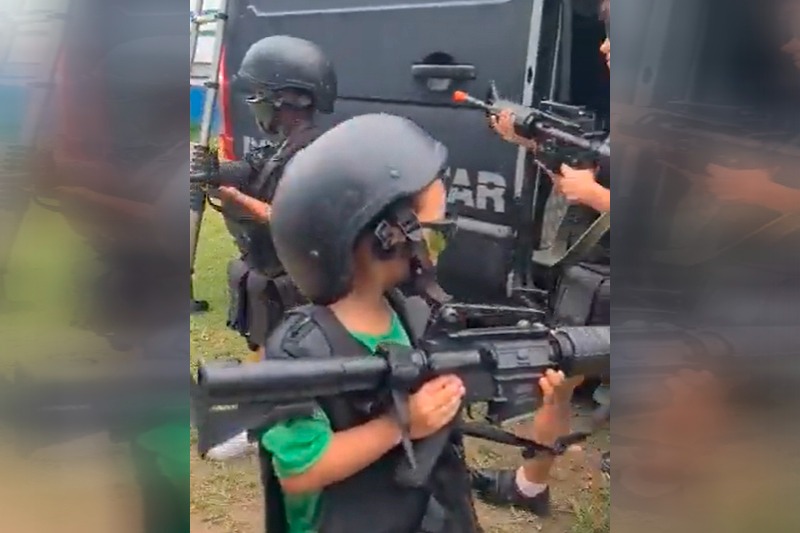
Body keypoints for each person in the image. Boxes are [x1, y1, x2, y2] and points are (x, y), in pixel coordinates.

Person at [259, 113, 583, 533]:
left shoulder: (414, 315)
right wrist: (401, 424)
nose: (439, 244)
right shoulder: (302, 348)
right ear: (386, 238)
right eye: (434, 230)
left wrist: (552, 400)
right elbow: (300, 472)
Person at [472, 0, 611, 513]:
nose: (604, 46)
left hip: (609, 283)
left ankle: (531, 486)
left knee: (555, 383)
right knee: (556, 384)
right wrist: (537, 148)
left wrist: (593, 194)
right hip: (601, 276)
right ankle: (531, 487)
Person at [191, 35, 337, 362]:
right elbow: (251, 169)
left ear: (284, 100)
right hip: (269, 280)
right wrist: (214, 172)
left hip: (297, 293)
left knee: (283, 375)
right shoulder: (283, 146)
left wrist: (238, 202)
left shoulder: (316, 156)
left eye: (259, 96)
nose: (254, 104)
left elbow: (299, 223)